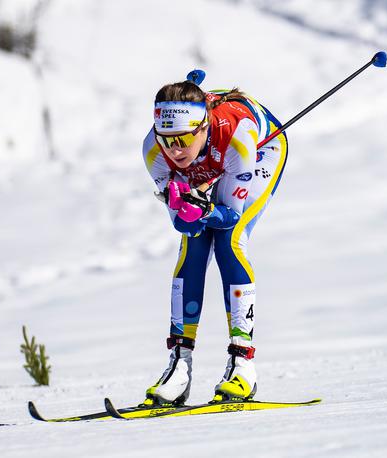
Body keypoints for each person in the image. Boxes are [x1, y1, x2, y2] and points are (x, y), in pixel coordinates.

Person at [141, 72, 288, 406]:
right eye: (166, 139)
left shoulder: (238, 138)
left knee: (229, 242)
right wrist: (188, 210)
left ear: (202, 128)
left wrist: (204, 210)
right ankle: (179, 365)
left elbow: (230, 215)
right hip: (215, 156)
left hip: (262, 148)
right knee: (193, 249)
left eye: (181, 140)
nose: (173, 150)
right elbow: (186, 226)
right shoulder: (153, 151)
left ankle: (243, 365)